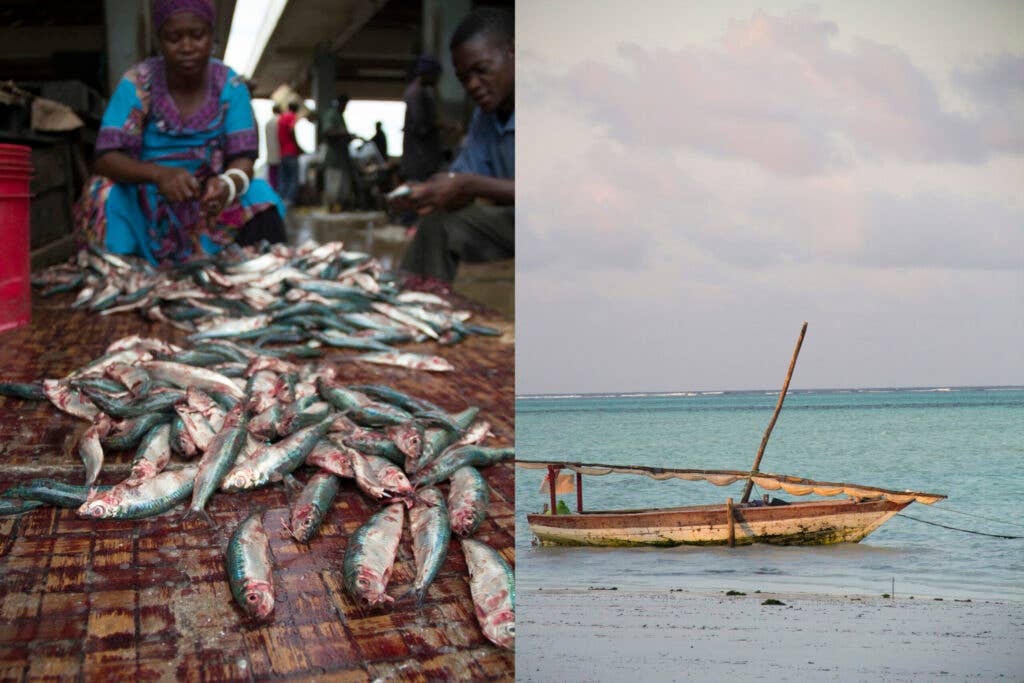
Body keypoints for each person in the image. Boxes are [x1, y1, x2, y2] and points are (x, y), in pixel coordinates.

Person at [74, 0, 286, 264]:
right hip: (145, 206)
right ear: (160, 39)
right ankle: (122, 266)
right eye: (174, 38)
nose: (186, 47)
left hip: (209, 207)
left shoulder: (231, 86)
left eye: (197, 35)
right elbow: (105, 158)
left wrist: (227, 184)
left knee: (260, 195)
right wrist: (159, 175)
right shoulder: (140, 82)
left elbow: (243, 160)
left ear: (212, 35)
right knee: (101, 191)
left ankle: (248, 271)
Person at [397, 9, 515, 286]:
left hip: (571, 230)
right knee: (438, 223)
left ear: (513, 52)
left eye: (481, 70)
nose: (472, 85)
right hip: (522, 225)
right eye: (464, 78)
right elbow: (463, 179)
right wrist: (432, 193)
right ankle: (424, 308)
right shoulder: (484, 117)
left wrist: (467, 185)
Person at [400, 55, 444, 182]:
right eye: (436, 75)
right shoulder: (416, 93)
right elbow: (420, 126)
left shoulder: (419, 92)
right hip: (419, 161)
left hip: (421, 160)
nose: (437, 79)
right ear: (427, 73)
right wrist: (441, 126)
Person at [320, 95, 355, 212]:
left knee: (343, 191)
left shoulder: (340, 116)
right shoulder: (332, 114)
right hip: (334, 159)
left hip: (343, 159)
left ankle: (341, 209)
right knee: (333, 189)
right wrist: (343, 133)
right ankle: (331, 210)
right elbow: (328, 131)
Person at [277, 100, 302, 205]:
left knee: (284, 178)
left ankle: (282, 199)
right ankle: (289, 200)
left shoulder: (281, 117)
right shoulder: (292, 117)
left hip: (282, 152)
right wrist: (297, 146)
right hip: (291, 151)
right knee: (293, 178)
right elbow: (291, 130)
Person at [264, 103, 281, 191]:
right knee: (280, 177)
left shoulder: (268, 123)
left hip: (270, 153)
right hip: (279, 153)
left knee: (272, 177)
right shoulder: (280, 121)